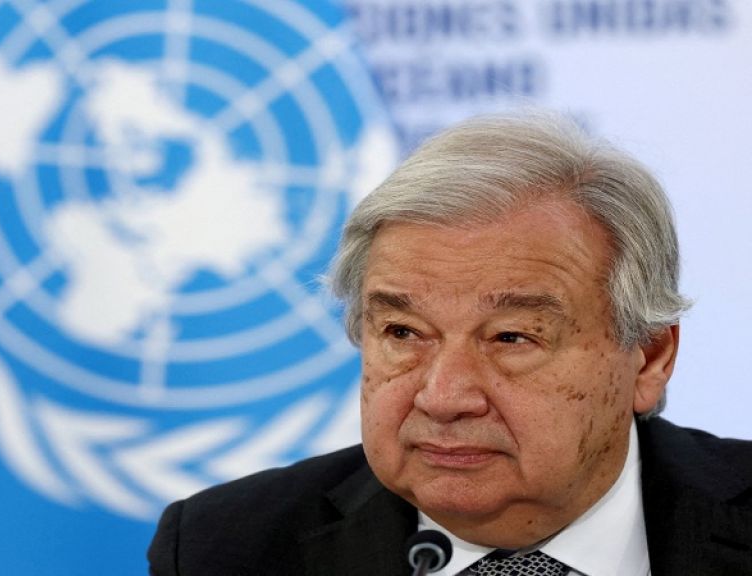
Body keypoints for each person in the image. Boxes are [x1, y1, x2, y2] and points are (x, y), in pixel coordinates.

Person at [147, 112, 752, 575]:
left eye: (511, 337)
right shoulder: (225, 549)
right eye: (403, 332)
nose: (443, 397)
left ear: (649, 358)